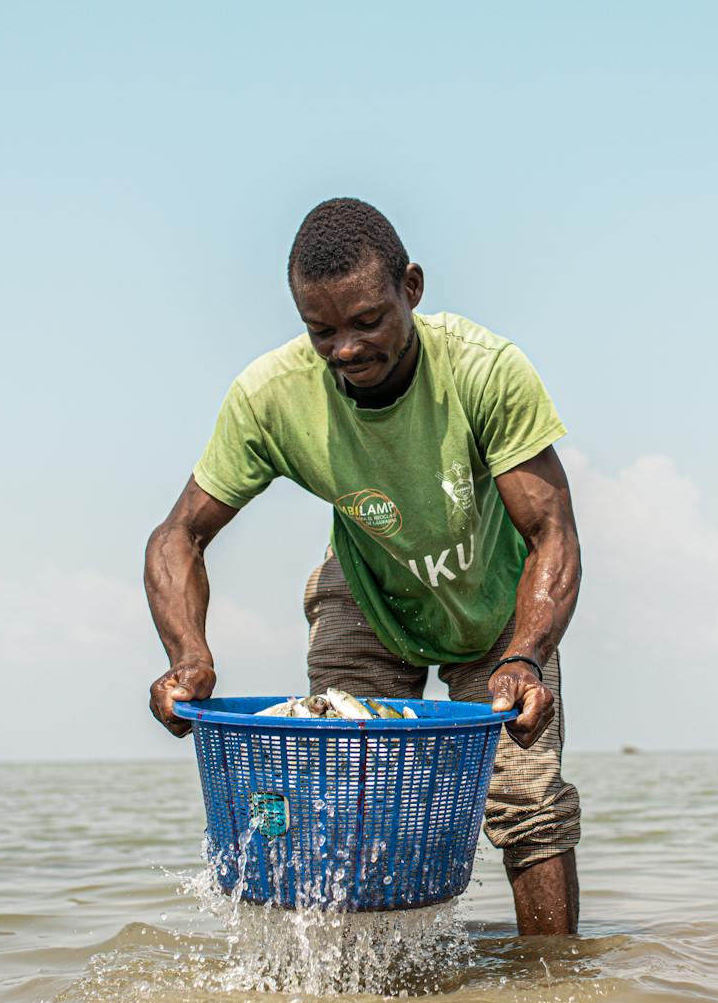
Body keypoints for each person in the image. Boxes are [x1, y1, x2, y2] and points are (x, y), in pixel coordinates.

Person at [144, 198, 583, 935]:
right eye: (323, 330)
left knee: (526, 803)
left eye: (367, 321)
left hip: (497, 602)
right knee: (346, 792)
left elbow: (551, 531)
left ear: (411, 287)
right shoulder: (271, 397)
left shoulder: (485, 372)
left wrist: (527, 654)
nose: (346, 349)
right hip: (369, 587)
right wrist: (187, 655)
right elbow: (177, 535)